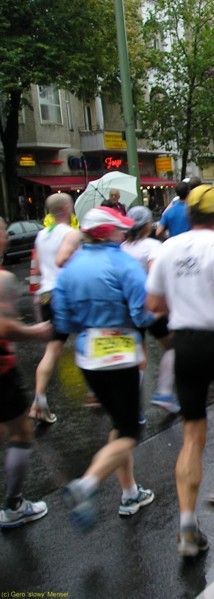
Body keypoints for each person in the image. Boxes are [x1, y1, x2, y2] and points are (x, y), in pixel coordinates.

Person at [145, 184, 214, 558]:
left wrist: (182, 301)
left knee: (193, 435)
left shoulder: (167, 248)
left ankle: (187, 527)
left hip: (185, 346)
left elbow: (153, 305)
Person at [53, 207, 156, 530]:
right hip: (123, 356)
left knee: (119, 423)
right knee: (129, 431)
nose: (123, 233)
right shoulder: (123, 263)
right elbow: (143, 314)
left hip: (87, 358)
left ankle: (129, 493)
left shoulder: (70, 269)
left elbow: (64, 320)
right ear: (108, 233)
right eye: (118, 230)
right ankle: (85, 485)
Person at [0, 217, 53, 528]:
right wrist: (36, 332)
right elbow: (4, 327)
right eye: (3, 233)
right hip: (2, 371)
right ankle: (14, 505)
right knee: (21, 433)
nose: (7, 239)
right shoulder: (3, 280)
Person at [30, 193, 83, 424]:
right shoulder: (72, 234)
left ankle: (38, 401)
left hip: (46, 295)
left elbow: (40, 268)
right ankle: (97, 393)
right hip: (67, 293)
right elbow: (79, 265)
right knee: (91, 335)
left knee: (52, 350)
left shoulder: (41, 235)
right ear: (65, 208)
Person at [122, 206, 178, 413]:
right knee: (172, 345)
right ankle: (164, 392)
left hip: (127, 307)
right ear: (147, 225)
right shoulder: (152, 246)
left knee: (138, 354)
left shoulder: (121, 247)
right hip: (150, 305)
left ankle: (132, 407)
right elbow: (155, 275)